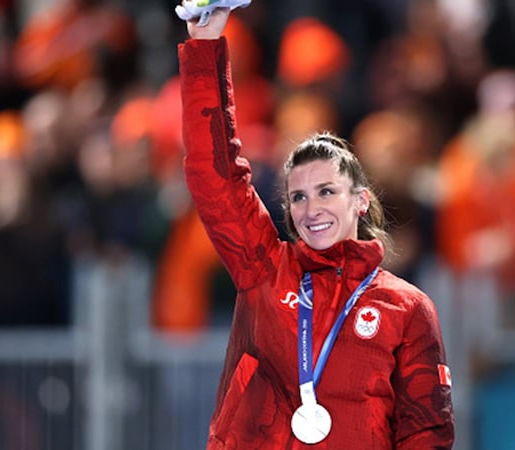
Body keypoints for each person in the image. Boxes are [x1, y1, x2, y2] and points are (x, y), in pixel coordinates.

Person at [175, 6, 454, 448]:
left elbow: (426, 432)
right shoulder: (266, 270)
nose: (311, 208)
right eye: (299, 197)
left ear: (361, 201)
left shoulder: (408, 309)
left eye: (327, 191)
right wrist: (206, 46)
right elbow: (215, 173)